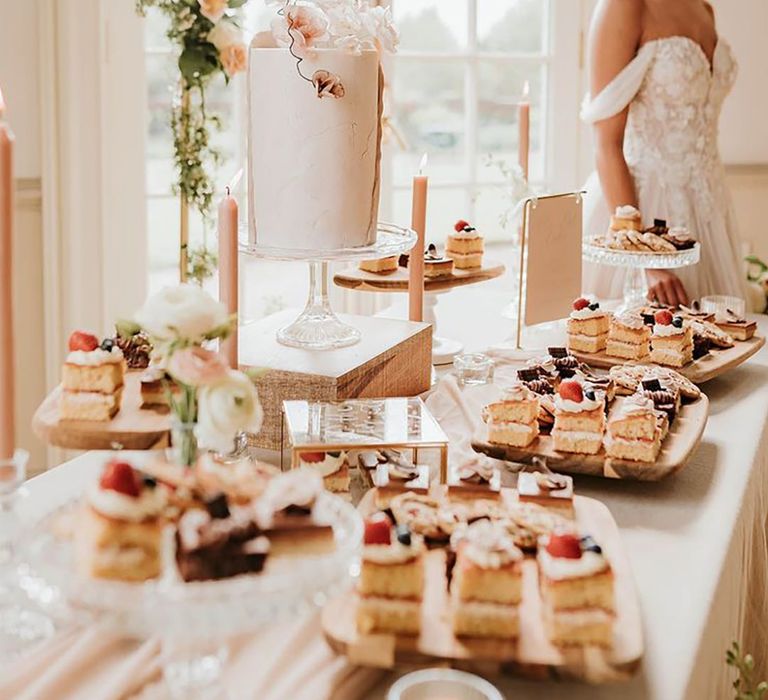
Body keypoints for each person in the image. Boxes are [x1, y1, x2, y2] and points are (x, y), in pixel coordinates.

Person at [581, 0, 746, 306]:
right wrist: (645, 258)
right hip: (641, 211)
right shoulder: (624, 6)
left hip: (710, 214)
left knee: (717, 342)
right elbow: (606, 144)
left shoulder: (704, 9)